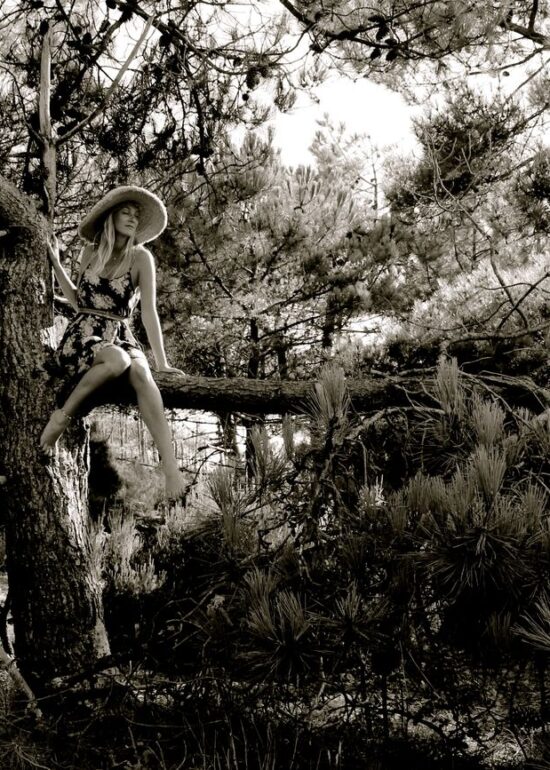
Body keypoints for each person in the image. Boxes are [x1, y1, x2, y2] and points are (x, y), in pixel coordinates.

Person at [40, 185, 187, 500]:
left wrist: (161, 362)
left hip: (120, 334)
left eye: (136, 215)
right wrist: (56, 265)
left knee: (142, 373)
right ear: (111, 217)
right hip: (84, 333)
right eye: (126, 212)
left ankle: (171, 468)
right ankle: (61, 418)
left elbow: (149, 313)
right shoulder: (90, 252)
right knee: (118, 360)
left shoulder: (141, 258)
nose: (133, 218)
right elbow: (78, 301)